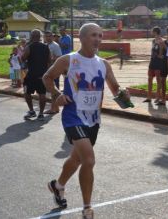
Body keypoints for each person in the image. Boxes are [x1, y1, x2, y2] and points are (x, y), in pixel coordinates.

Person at [43, 23, 130, 219]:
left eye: (100, 35)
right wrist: (57, 94)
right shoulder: (69, 61)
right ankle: (87, 209)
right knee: (89, 160)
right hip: (73, 116)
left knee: (77, 159)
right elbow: (47, 77)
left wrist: (126, 97)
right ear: (81, 38)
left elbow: (117, 91)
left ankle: (57, 186)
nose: (98, 39)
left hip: (93, 120)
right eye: (93, 35)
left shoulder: (103, 64)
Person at [21, 29, 51, 120]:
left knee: (26, 92)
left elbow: (23, 58)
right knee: (42, 93)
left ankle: (31, 111)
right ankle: (41, 114)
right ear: (40, 37)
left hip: (31, 74)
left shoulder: (29, 46)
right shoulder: (46, 47)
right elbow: (49, 60)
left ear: (31, 36)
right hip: (42, 74)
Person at [143, 27, 166, 104]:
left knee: (158, 80)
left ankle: (158, 97)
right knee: (149, 79)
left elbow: (166, 49)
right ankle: (149, 97)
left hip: (158, 62)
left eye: (152, 31)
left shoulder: (162, 41)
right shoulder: (153, 41)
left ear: (155, 32)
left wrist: (161, 54)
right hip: (152, 61)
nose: (151, 32)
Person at [44, 31, 62, 114]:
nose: (48, 38)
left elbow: (59, 57)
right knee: (52, 89)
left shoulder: (55, 46)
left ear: (52, 37)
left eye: (49, 36)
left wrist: (51, 58)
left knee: (54, 90)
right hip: (48, 70)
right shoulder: (45, 45)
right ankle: (56, 108)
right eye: (46, 36)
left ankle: (53, 108)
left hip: (54, 70)